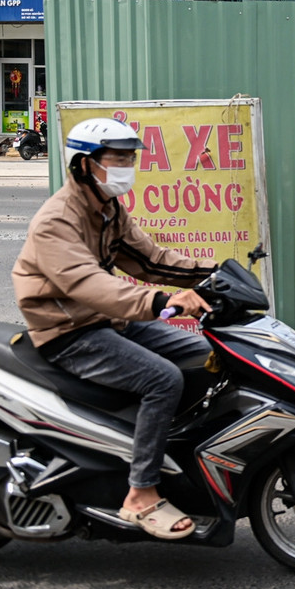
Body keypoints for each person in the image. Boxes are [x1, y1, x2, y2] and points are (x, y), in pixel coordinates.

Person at [12, 117, 216, 540]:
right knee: (163, 380)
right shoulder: (57, 220)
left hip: (108, 320)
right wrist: (161, 301)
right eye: (118, 159)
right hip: (70, 332)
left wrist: (214, 275)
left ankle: (173, 457)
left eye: (130, 159)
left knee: (205, 356)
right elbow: (88, 284)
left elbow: (150, 260)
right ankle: (140, 493)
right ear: (85, 165)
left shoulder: (107, 209)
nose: (127, 167)